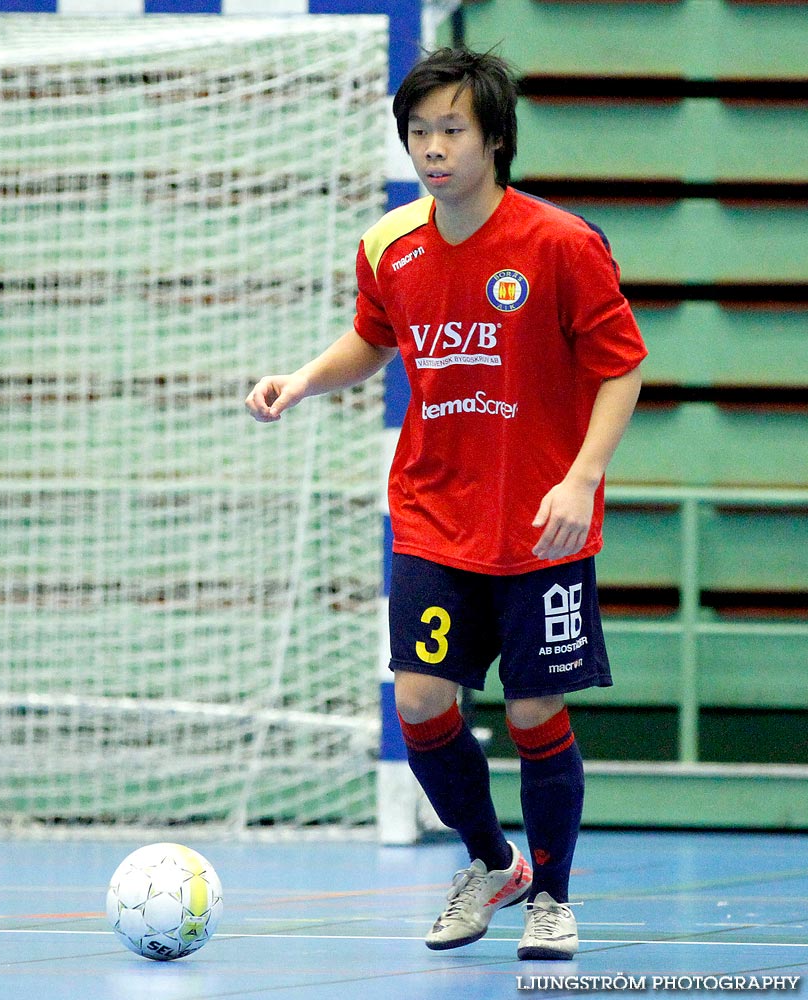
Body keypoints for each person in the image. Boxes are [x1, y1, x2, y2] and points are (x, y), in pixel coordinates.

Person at [246, 46, 647, 961]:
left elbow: (622, 366)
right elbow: (371, 338)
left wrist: (582, 478)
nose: (433, 147)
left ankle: (552, 897)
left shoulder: (560, 245)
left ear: (495, 138)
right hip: (433, 514)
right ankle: (488, 861)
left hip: (541, 522)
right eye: (419, 131)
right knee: (423, 700)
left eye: (451, 129)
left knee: (534, 714)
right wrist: (303, 380)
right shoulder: (391, 244)